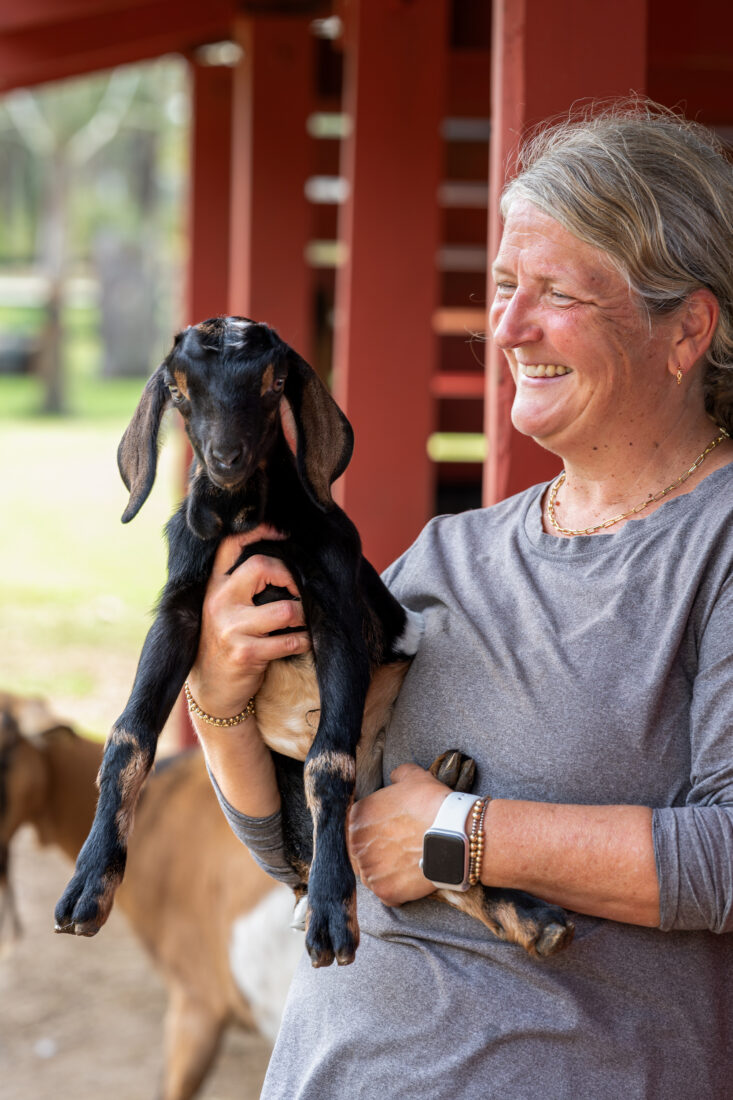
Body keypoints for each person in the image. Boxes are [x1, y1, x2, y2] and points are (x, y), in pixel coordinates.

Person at [186, 101, 733, 1099]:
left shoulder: (715, 544)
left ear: (685, 327)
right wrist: (222, 702)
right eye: (503, 287)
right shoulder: (452, 550)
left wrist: (461, 832)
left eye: (556, 292)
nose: (509, 326)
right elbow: (314, 858)